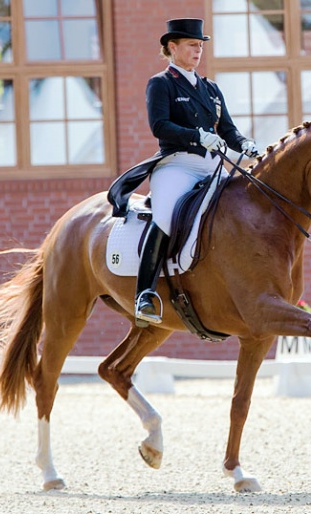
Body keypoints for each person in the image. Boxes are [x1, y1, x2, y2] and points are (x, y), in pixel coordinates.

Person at [107, 18, 260, 327]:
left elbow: (228, 130)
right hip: (177, 164)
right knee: (165, 215)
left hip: (210, 165)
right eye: (192, 45)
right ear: (172, 47)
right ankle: (145, 293)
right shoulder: (161, 83)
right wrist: (196, 136)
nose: (198, 50)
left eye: (200, 46)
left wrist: (246, 144)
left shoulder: (211, 89)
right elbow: (159, 125)